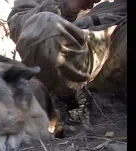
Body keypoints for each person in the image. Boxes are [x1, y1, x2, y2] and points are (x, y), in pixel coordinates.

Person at [7, 0, 126, 131]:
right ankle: (69, 102)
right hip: (86, 48)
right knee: (42, 25)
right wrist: (68, 5)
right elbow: (21, 25)